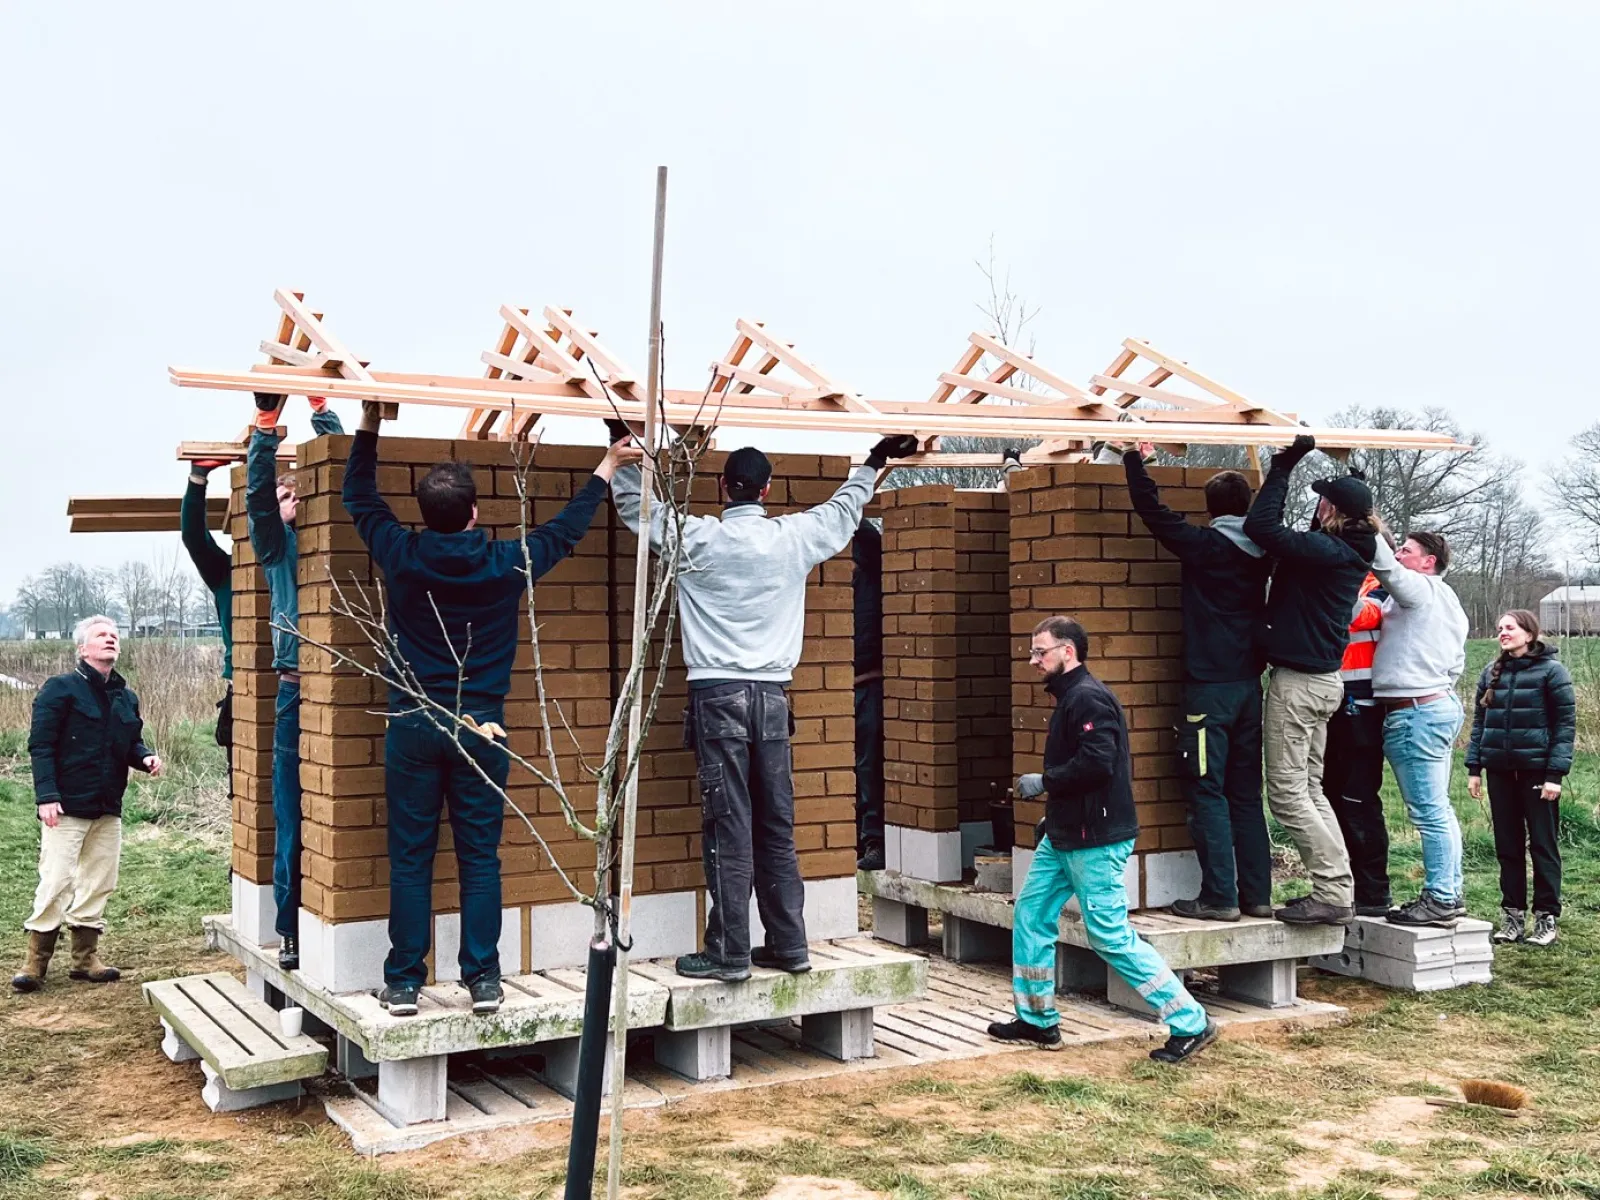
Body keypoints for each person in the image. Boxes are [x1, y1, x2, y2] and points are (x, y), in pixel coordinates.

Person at [343, 404, 641, 1016]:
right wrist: (606, 465)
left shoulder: (401, 554)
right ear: (475, 514)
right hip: (483, 727)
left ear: (425, 515)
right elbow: (565, 530)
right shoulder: (505, 563)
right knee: (479, 855)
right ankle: (483, 980)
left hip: (414, 722)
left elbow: (359, 497)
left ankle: (403, 983)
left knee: (411, 855)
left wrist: (370, 426)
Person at [610, 434, 919, 982]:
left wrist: (620, 450)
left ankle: (730, 953)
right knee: (776, 825)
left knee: (729, 825)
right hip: (773, 700)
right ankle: (789, 945)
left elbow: (638, 510)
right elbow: (844, 511)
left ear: (722, 488)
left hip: (718, 698)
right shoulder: (791, 538)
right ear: (767, 490)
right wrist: (871, 461)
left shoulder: (697, 537)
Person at [989, 617, 1217, 1063]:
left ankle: (1190, 1021)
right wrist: (1054, 816)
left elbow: (1099, 763)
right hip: (1065, 836)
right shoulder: (1072, 696)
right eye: (1033, 652)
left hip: (1095, 841)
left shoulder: (1088, 698)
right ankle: (1037, 1019)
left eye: (1041, 651)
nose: (1033, 660)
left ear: (1068, 652)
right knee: (1031, 916)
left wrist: (1045, 782)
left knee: (1110, 936)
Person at [1122, 443, 1273, 922]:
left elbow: (1153, 512)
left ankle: (1220, 898)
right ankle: (1257, 895)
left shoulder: (1205, 546)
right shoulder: (1264, 552)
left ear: (1210, 508)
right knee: (1246, 795)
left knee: (1206, 789)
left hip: (1208, 692)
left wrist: (1133, 461)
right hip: (1250, 689)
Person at [1243, 434, 1376, 926]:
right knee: (1311, 791)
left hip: (1300, 686)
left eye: (1322, 500)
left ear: (1332, 510)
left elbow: (1261, 526)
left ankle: (1334, 894)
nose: (1315, 506)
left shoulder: (1330, 552)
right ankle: (1336, 886)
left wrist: (1284, 465)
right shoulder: (1343, 548)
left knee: (1286, 794)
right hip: (1324, 683)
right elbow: (1295, 539)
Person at [13, 616, 163, 993]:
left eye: (114, 635)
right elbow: (41, 745)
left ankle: (85, 960)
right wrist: (46, 796)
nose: (110, 639)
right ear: (83, 648)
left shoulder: (125, 697)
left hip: (107, 805)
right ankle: (35, 963)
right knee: (56, 880)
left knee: (99, 882)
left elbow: (130, 742)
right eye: (101, 635)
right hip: (65, 806)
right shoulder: (59, 690)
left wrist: (144, 758)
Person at [249, 391, 344, 970]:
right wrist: (266, 428)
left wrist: (322, 409)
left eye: (298, 493)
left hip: (341, 688)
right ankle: (290, 931)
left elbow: (339, 461)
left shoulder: (332, 544)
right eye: (284, 494)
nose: (290, 500)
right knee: (291, 812)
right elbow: (259, 500)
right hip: (293, 688)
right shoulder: (277, 547)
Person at [1368, 529, 1470, 927]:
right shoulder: (1449, 600)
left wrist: (1367, 520)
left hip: (1416, 710)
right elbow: (1457, 663)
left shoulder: (1421, 589)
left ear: (1429, 561)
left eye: (1406, 550)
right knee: (1439, 809)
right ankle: (1449, 892)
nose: (1399, 554)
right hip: (1437, 703)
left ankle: (1441, 898)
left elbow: (1386, 569)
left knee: (1429, 812)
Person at [1466, 610, 1574, 947]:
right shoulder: (1491, 673)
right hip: (1499, 771)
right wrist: (1475, 768)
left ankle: (1546, 919)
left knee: (1542, 845)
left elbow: (1564, 726)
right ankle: (1512, 917)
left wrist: (1554, 775)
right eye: (1499, 629)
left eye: (1509, 628)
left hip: (1537, 773)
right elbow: (1480, 724)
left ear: (1529, 633)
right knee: (1507, 848)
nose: (1502, 633)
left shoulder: (1552, 672)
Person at [1323, 568, 1393, 916]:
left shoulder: (1381, 586)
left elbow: (1362, 614)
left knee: (1358, 801)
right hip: (1332, 702)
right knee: (1330, 798)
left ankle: (1374, 892)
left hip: (1363, 707)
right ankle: (1341, 889)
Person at [181, 458, 235, 793]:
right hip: (243, 689)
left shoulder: (301, 563)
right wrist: (198, 476)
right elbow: (194, 537)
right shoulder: (225, 571)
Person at [852, 517, 886, 871]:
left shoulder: (871, 572)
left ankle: (874, 841)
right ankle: (861, 839)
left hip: (870, 685)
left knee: (869, 766)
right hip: (845, 689)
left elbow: (869, 541)